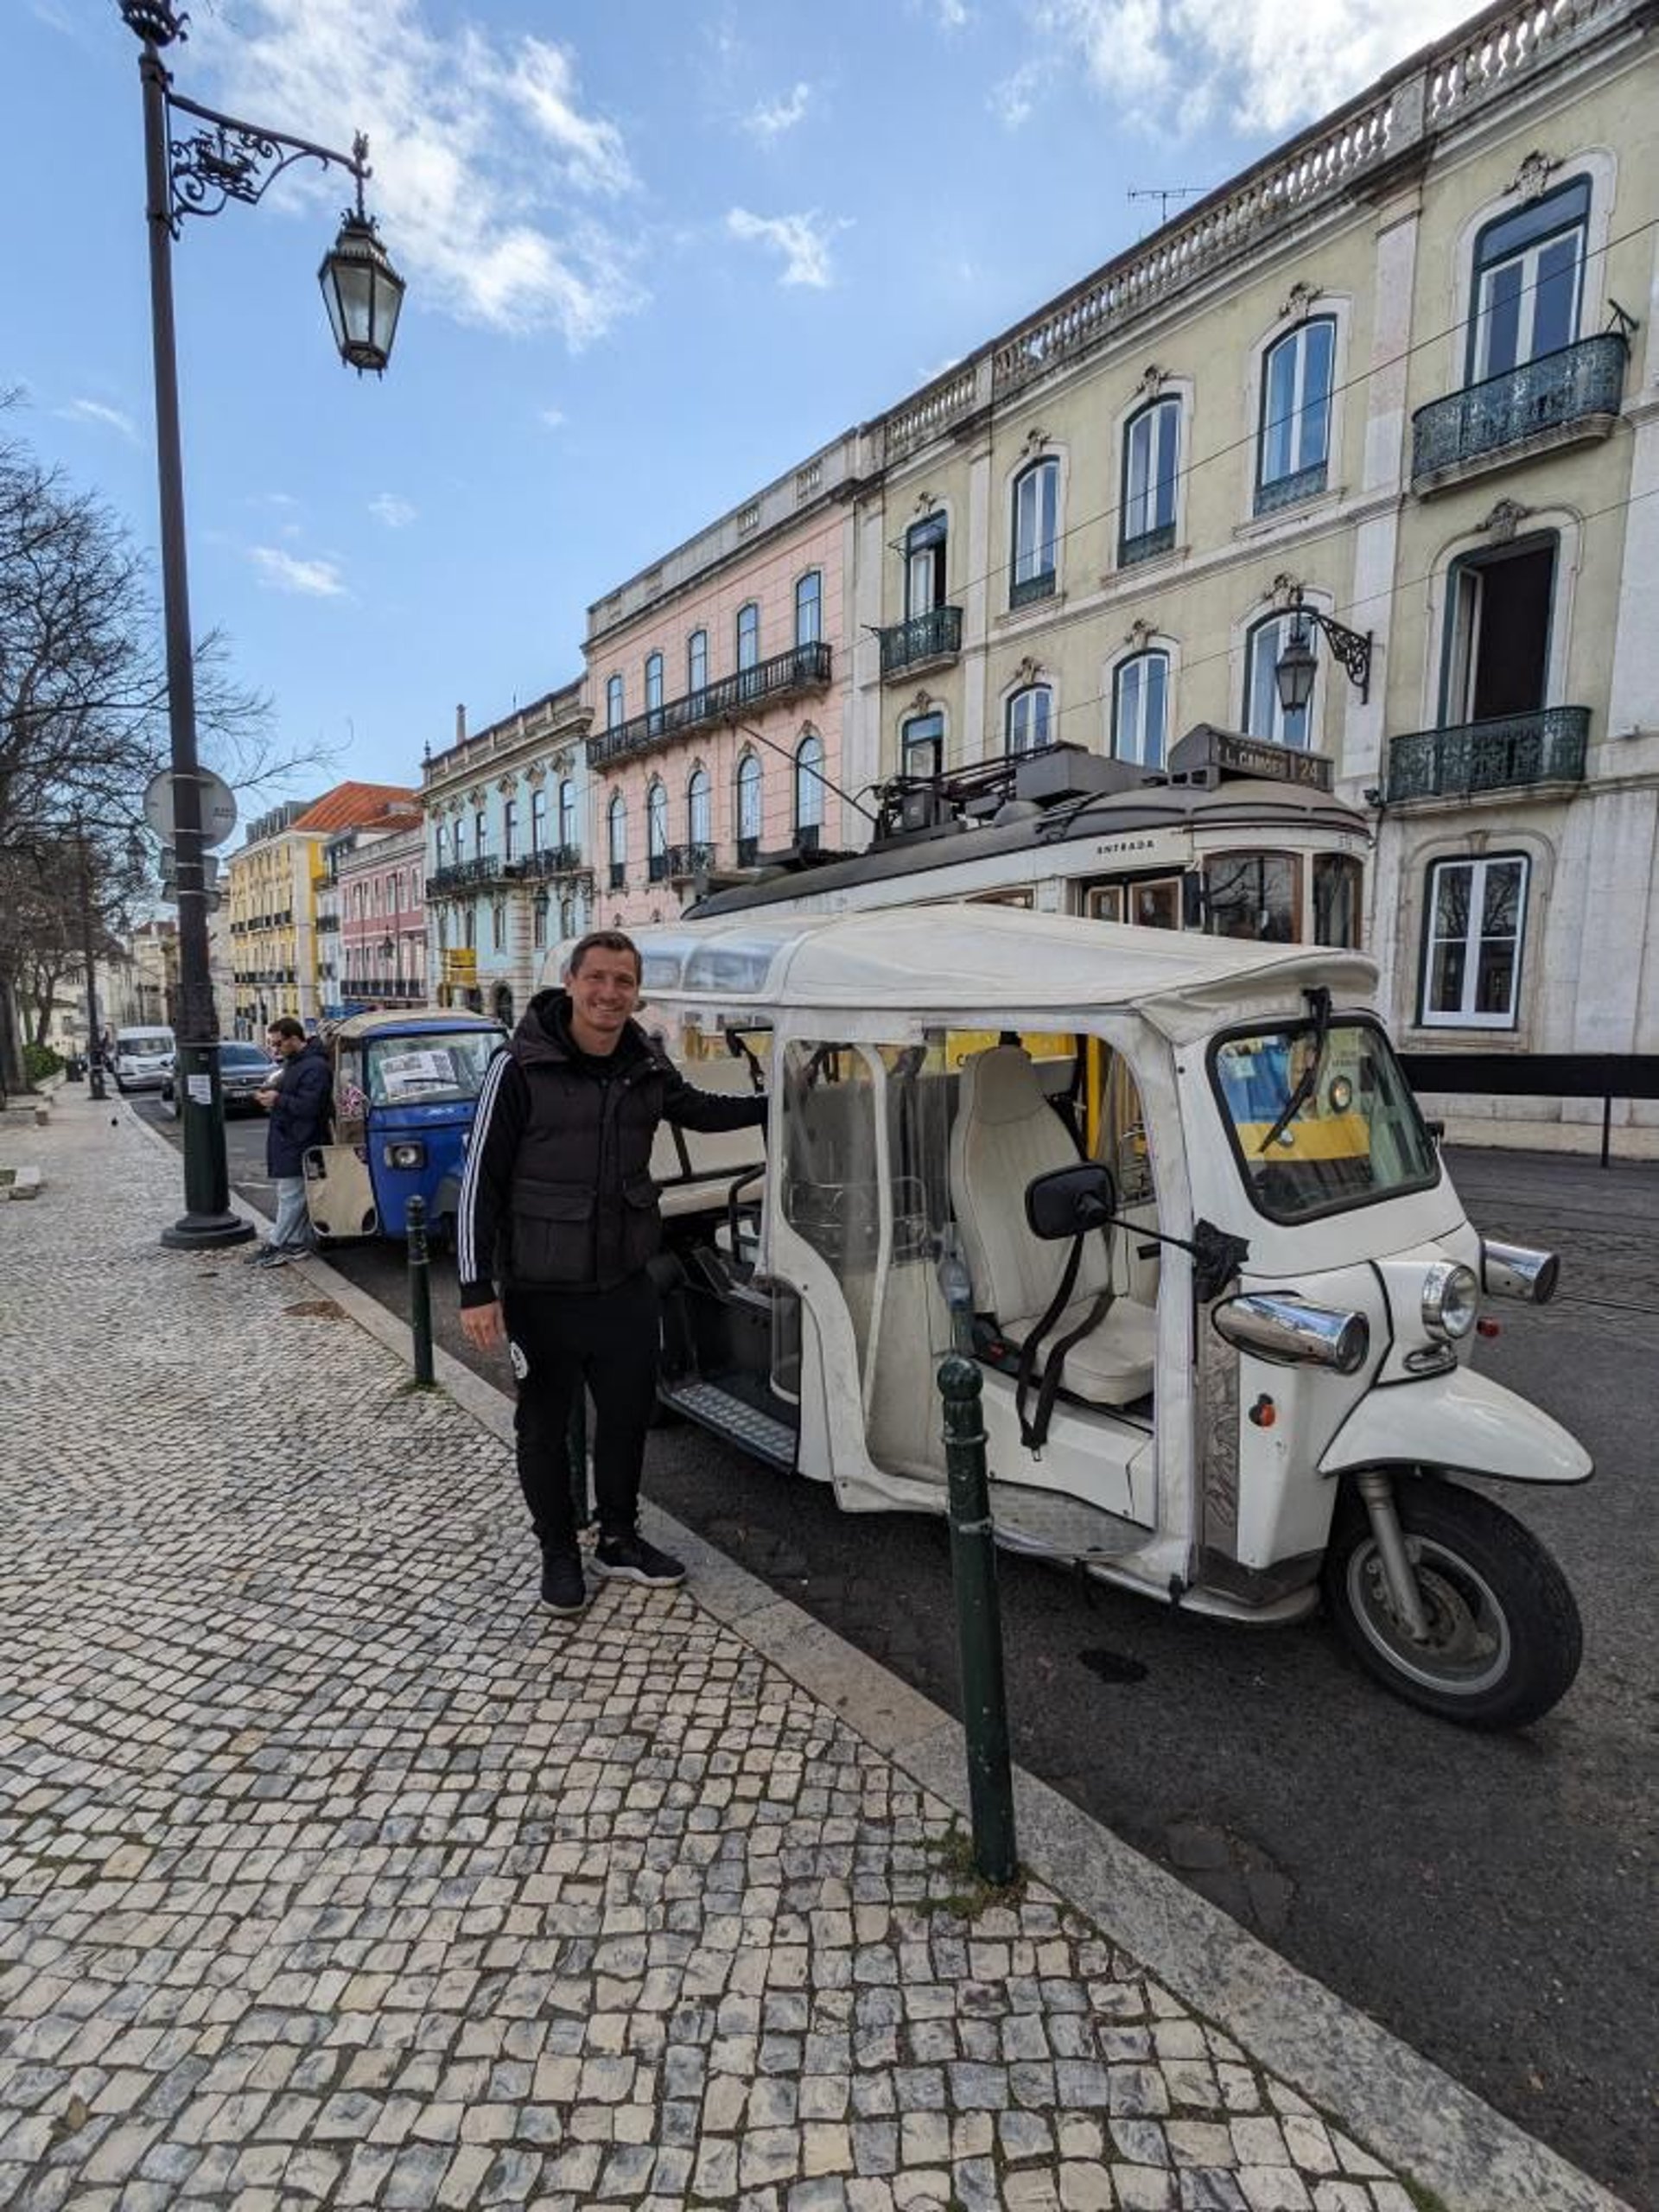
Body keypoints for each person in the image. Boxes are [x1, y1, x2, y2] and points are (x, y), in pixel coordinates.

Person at [457, 929, 767, 1617]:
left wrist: (781, 1105)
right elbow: (481, 1179)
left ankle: (618, 1536)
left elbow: (701, 1112)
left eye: (623, 982)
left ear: (636, 993)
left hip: (625, 1281)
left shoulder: (646, 1065)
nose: (608, 993)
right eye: (597, 978)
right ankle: (558, 1552)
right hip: (541, 1289)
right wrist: (476, 1287)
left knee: (626, 1418)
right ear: (571, 982)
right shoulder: (519, 1066)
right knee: (543, 1426)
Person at [248, 1016, 331, 1268]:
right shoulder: (295, 1062)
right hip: (291, 1137)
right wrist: (271, 1097)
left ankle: (275, 1244)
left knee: (290, 1195)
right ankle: (295, 1244)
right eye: (272, 1044)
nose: (274, 1049)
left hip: (301, 1139)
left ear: (294, 1039)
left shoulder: (314, 1067)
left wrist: (278, 1100)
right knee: (295, 1194)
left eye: (278, 1044)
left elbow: (310, 1107)